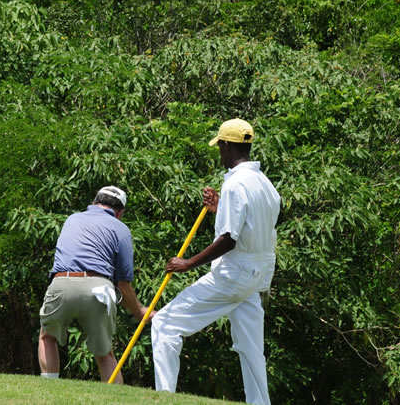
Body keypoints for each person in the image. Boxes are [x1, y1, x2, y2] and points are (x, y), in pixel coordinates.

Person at [151, 118, 280, 405]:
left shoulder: (235, 183)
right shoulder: (265, 184)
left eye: (220, 147)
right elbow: (251, 229)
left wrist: (188, 263)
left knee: (164, 323)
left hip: (233, 275)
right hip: (256, 277)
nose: (219, 152)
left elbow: (229, 239)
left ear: (226, 145)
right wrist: (220, 208)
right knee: (251, 348)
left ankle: (165, 399)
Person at [38, 185, 149, 384]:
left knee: (48, 337)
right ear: (120, 212)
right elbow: (123, 284)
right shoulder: (121, 229)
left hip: (62, 282)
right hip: (99, 289)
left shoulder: (72, 219)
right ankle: (114, 398)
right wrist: (139, 311)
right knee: (105, 354)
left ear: (94, 202)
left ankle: (49, 387)